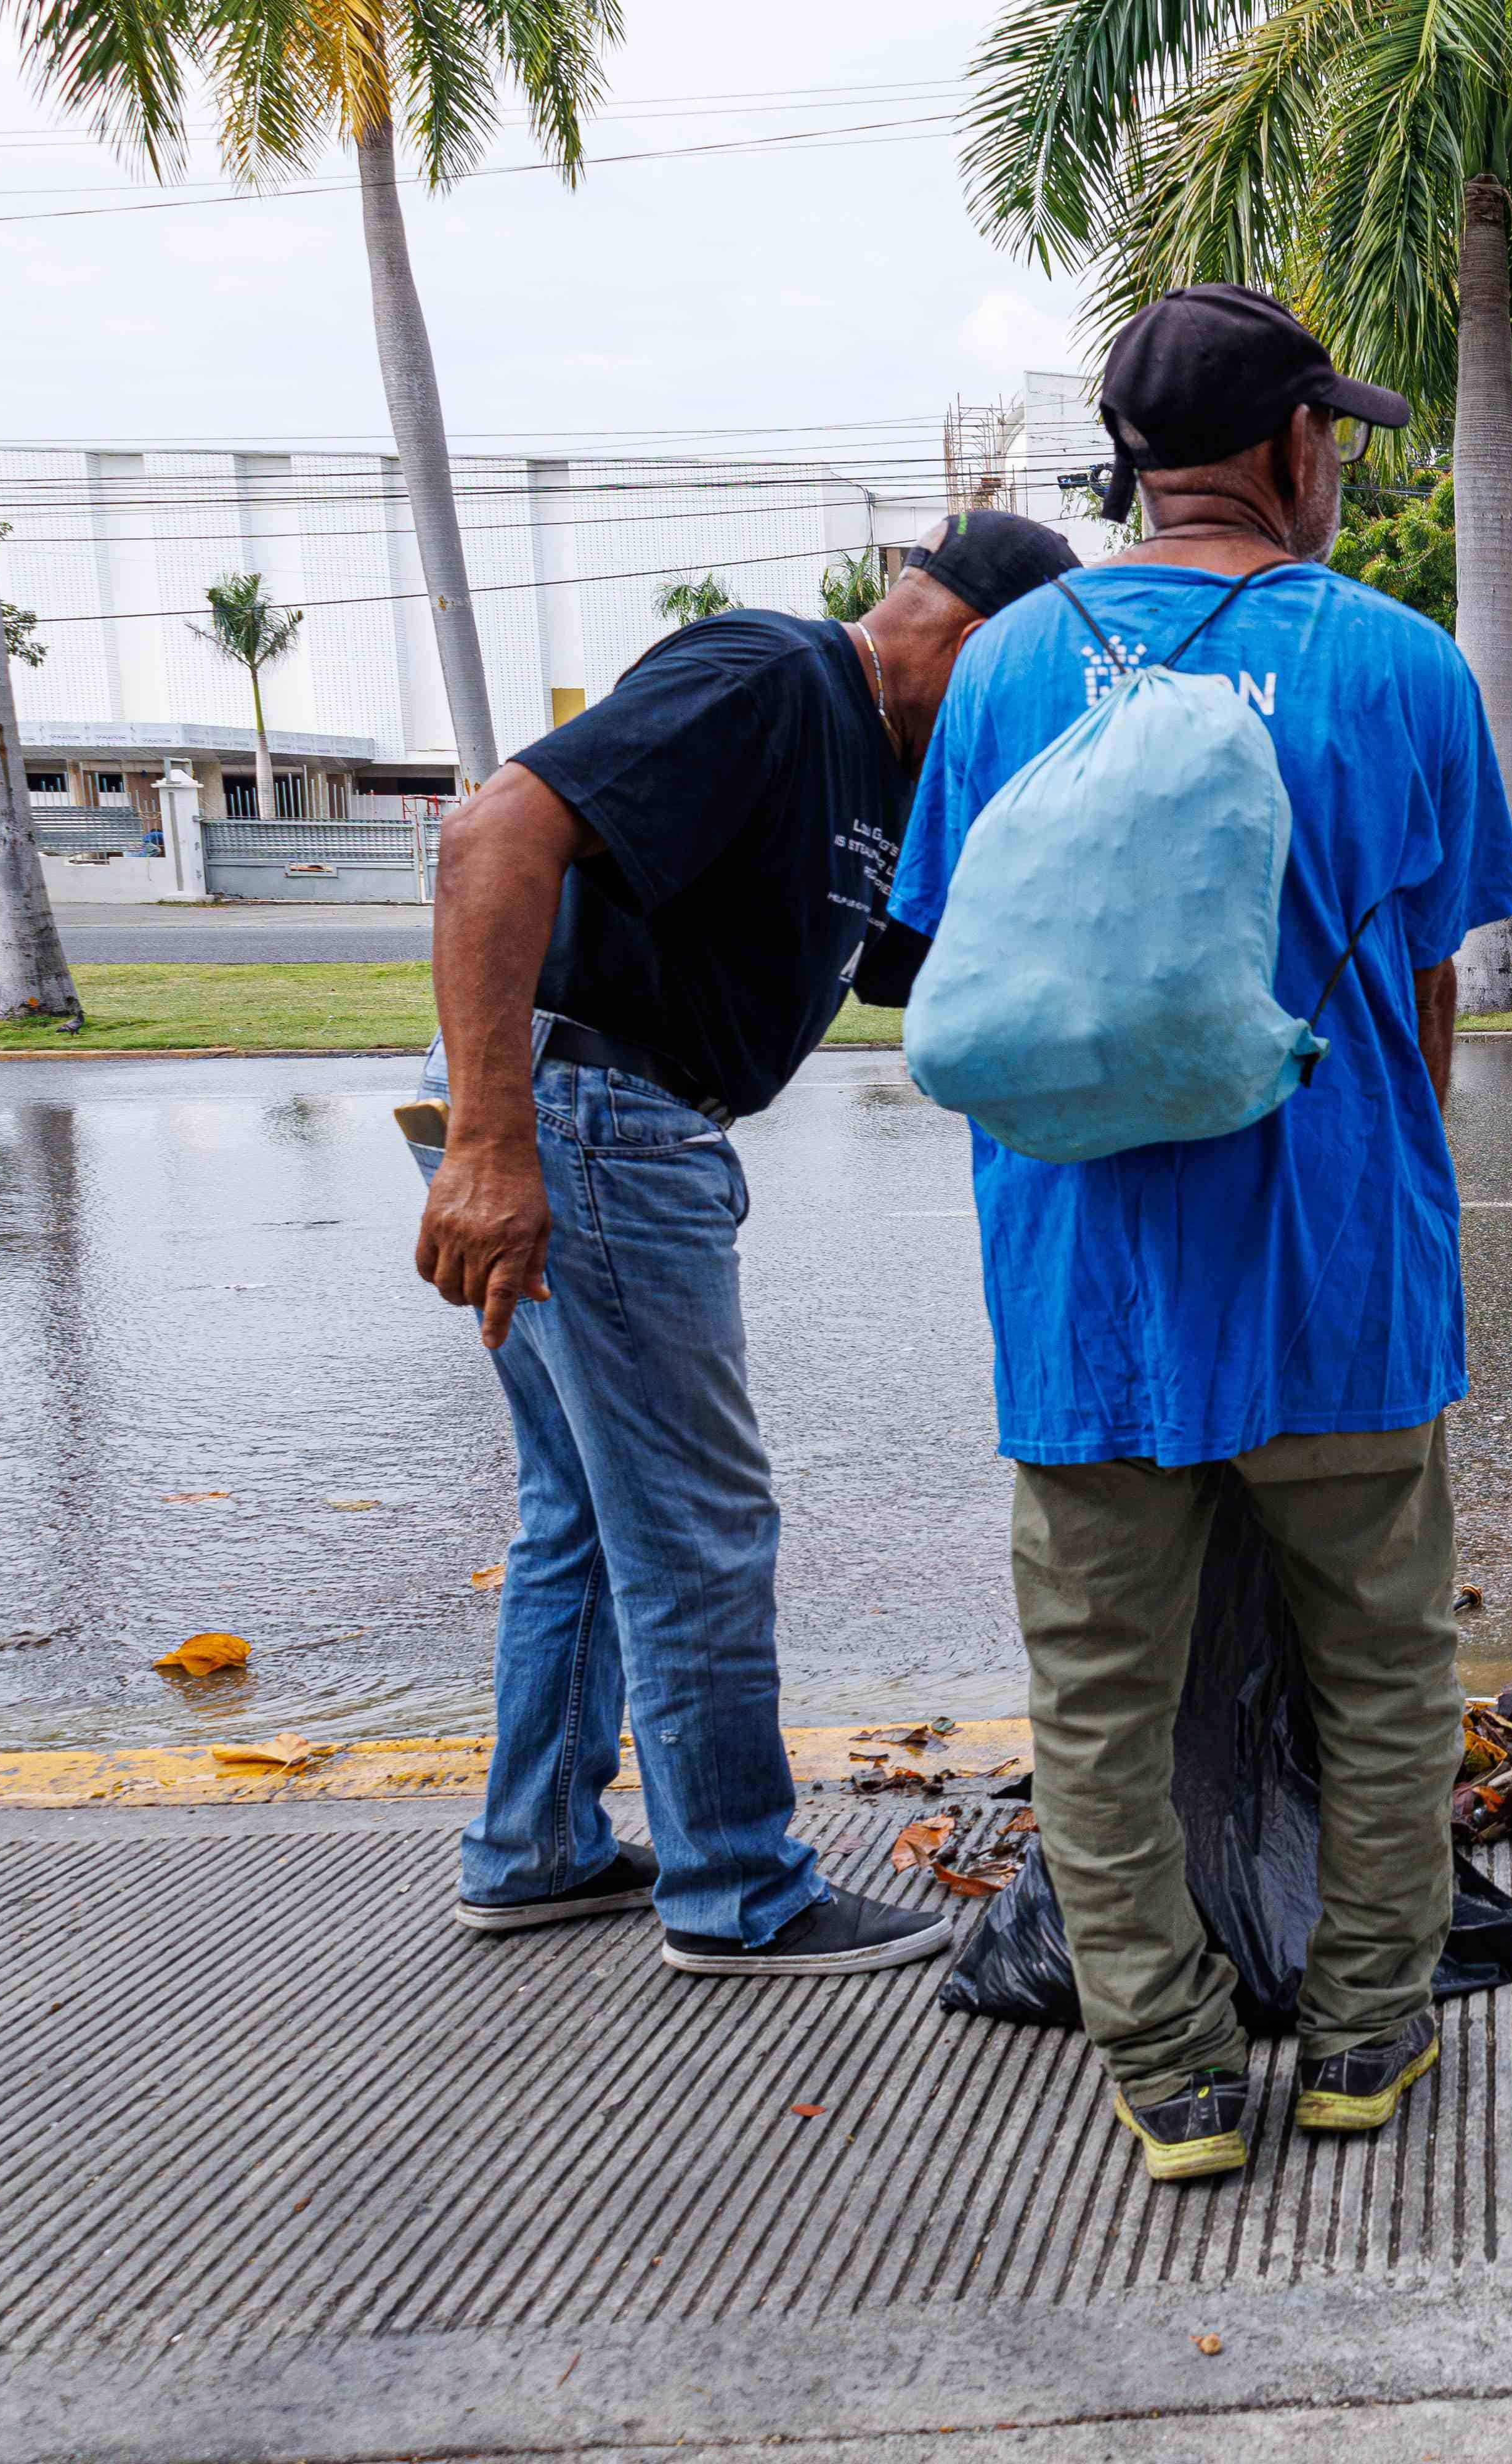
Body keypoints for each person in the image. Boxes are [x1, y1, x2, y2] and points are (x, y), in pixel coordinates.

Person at [887, 284, 1512, 2184]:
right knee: (1385, 1679)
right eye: (1332, 433)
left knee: (1098, 1697)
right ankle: (1361, 2033)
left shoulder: (1006, 667)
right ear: (1289, 451)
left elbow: (955, 960)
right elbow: (1429, 994)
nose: (1337, 460)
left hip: (1086, 1290)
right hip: (1336, 1271)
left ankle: (1162, 2068)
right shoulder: (1403, 667)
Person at [411, 509, 1078, 1975]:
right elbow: (495, 830)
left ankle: (536, 1849)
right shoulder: (771, 678)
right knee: (702, 1526)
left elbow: (926, 962)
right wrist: (489, 1137)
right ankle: (739, 1889)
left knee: (584, 1510)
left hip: (617, 1120)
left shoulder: (883, 763)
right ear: (969, 641)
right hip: (591, 1117)